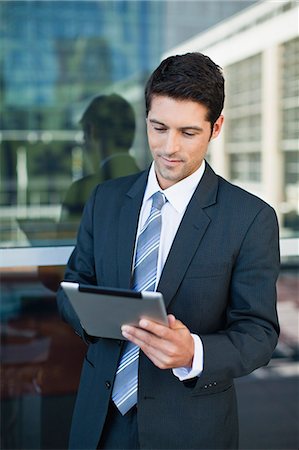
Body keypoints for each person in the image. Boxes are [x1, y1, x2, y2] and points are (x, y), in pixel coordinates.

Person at [57, 52, 280, 450]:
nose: (169, 147)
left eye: (188, 132)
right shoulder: (105, 199)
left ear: (216, 128)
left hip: (190, 428)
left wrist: (193, 350)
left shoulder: (250, 218)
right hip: (98, 420)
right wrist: (95, 317)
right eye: (158, 128)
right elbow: (73, 285)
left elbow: (259, 333)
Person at [60, 93, 140, 226]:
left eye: (84, 137)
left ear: (92, 131)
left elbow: (63, 239)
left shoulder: (81, 191)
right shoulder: (153, 188)